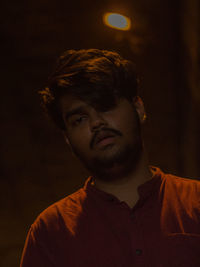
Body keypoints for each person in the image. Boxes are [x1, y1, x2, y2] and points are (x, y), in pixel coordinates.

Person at [20, 49, 200, 267]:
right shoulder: (51, 231)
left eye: (105, 106)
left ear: (138, 107)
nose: (96, 123)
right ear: (67, 138)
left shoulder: (195, 202)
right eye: (79, 119)